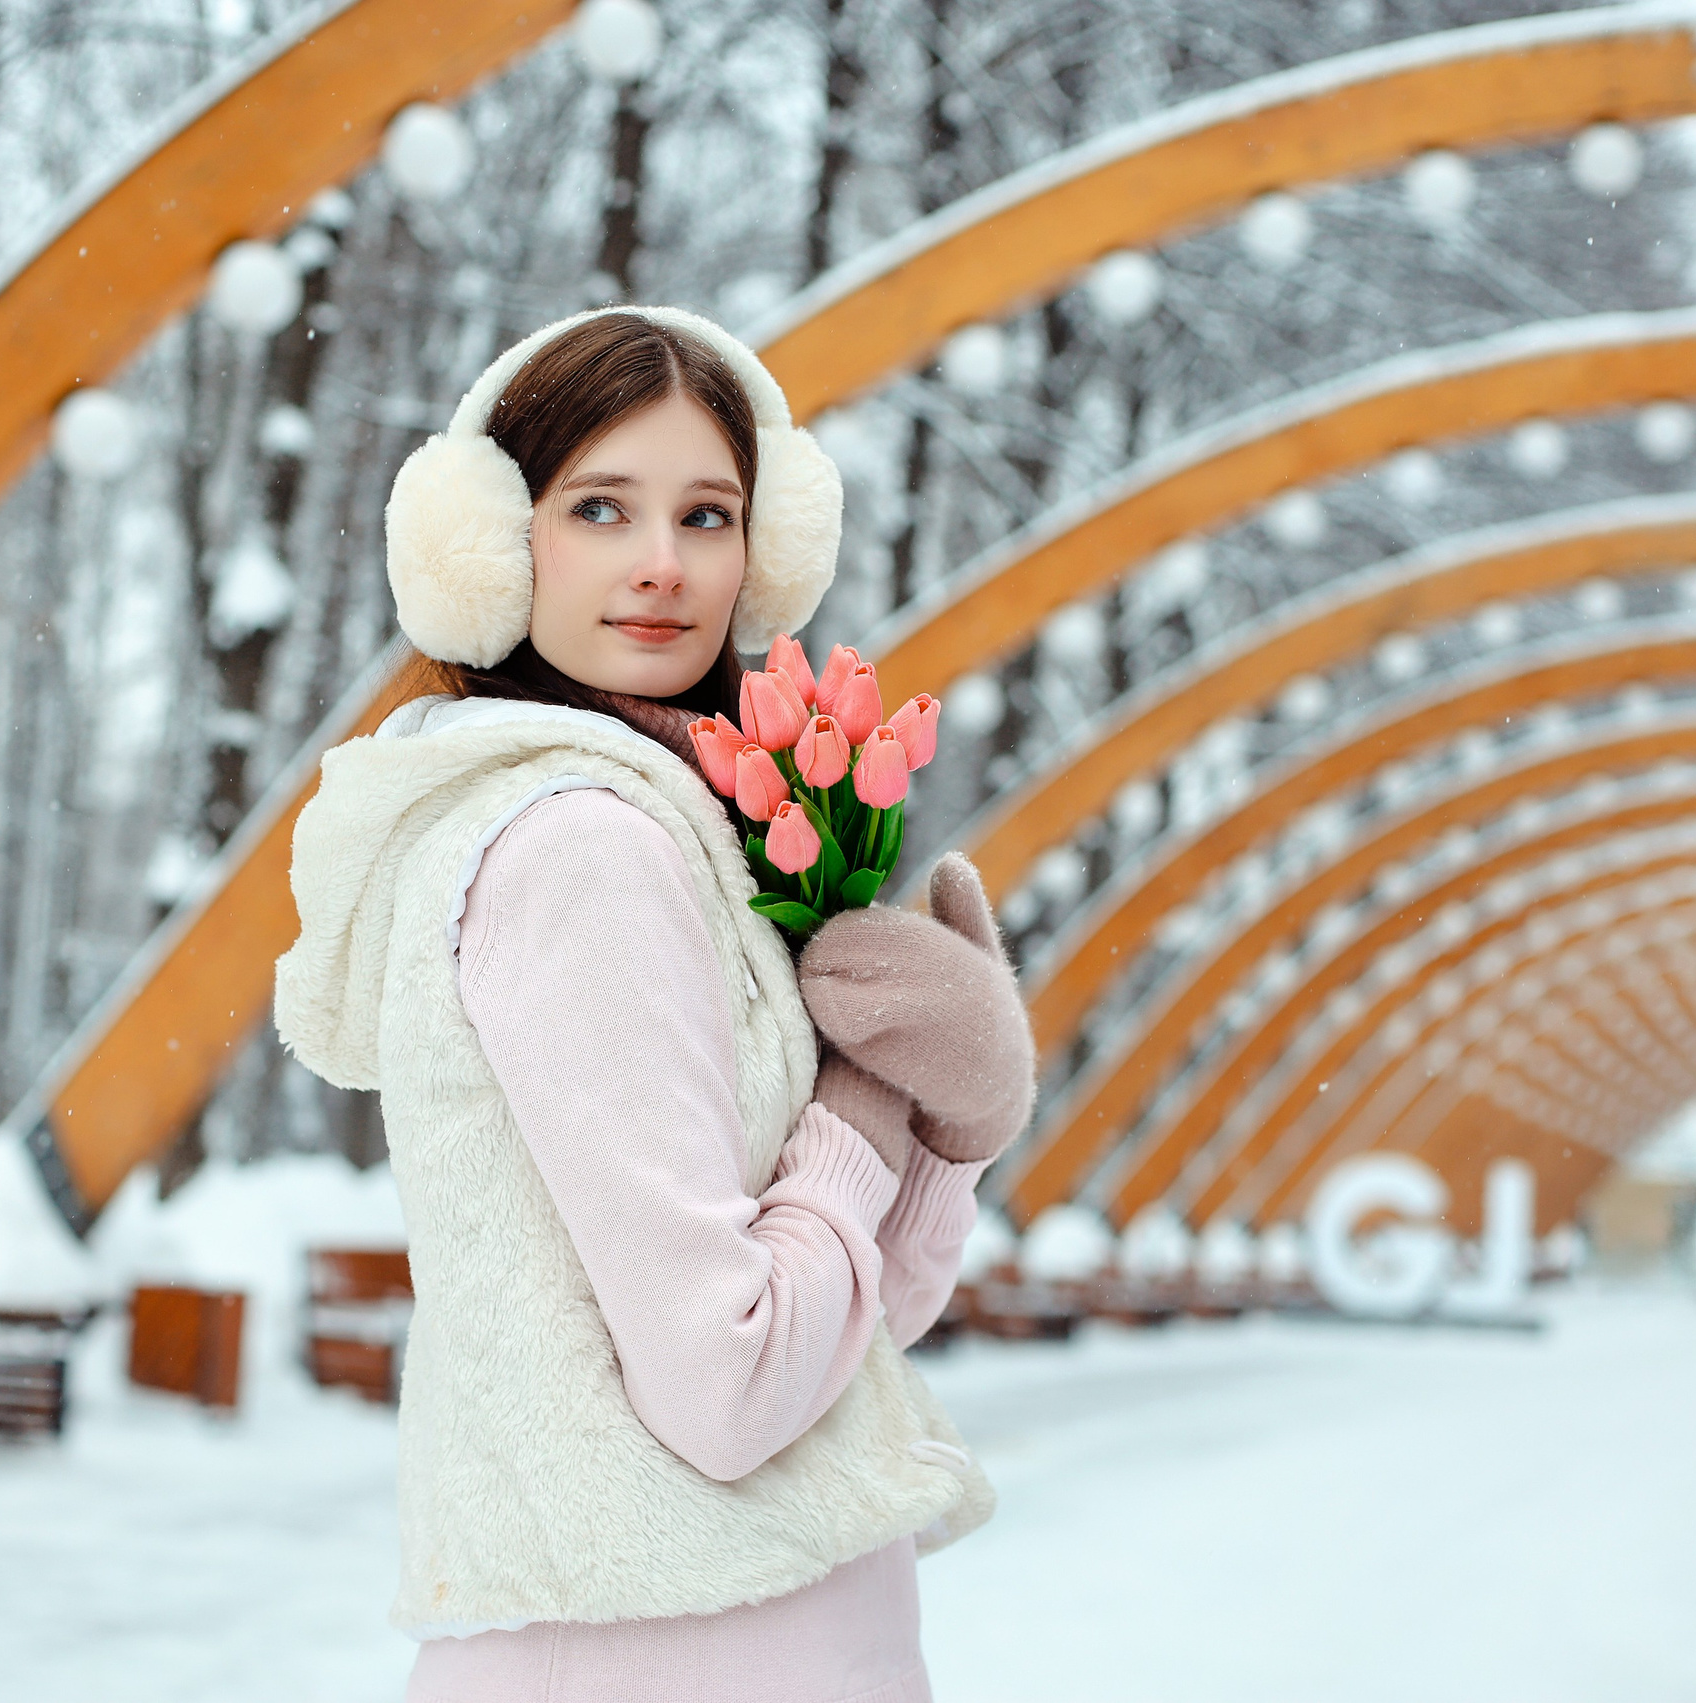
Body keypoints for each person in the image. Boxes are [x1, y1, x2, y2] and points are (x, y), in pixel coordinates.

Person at [275, 307, 1037, 1702]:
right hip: (673, 1657)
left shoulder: (693, 832)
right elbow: (735, 1387)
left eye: (708, 514)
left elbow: (848, 1339)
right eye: (602, 507)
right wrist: (865, 1099)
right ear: (500, 545)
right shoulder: (584, 849)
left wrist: (954, 1125)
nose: (662, 566)